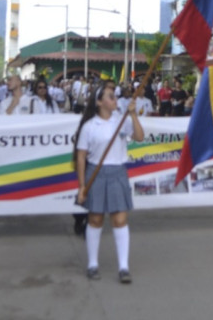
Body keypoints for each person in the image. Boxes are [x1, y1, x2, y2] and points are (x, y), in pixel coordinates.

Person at [74, 84, 144, 284]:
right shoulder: (89, 126)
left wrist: (133, 115)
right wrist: (82, 186)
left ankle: (123, 267)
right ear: (99, 102)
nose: (115, 100)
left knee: (120, 220)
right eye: (111, 97)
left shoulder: (122, 120)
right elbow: (81, 157)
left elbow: (140, 137)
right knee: (95, 219)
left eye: (115, 96)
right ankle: (92, 264)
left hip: (118, 172)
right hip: (96, 173)